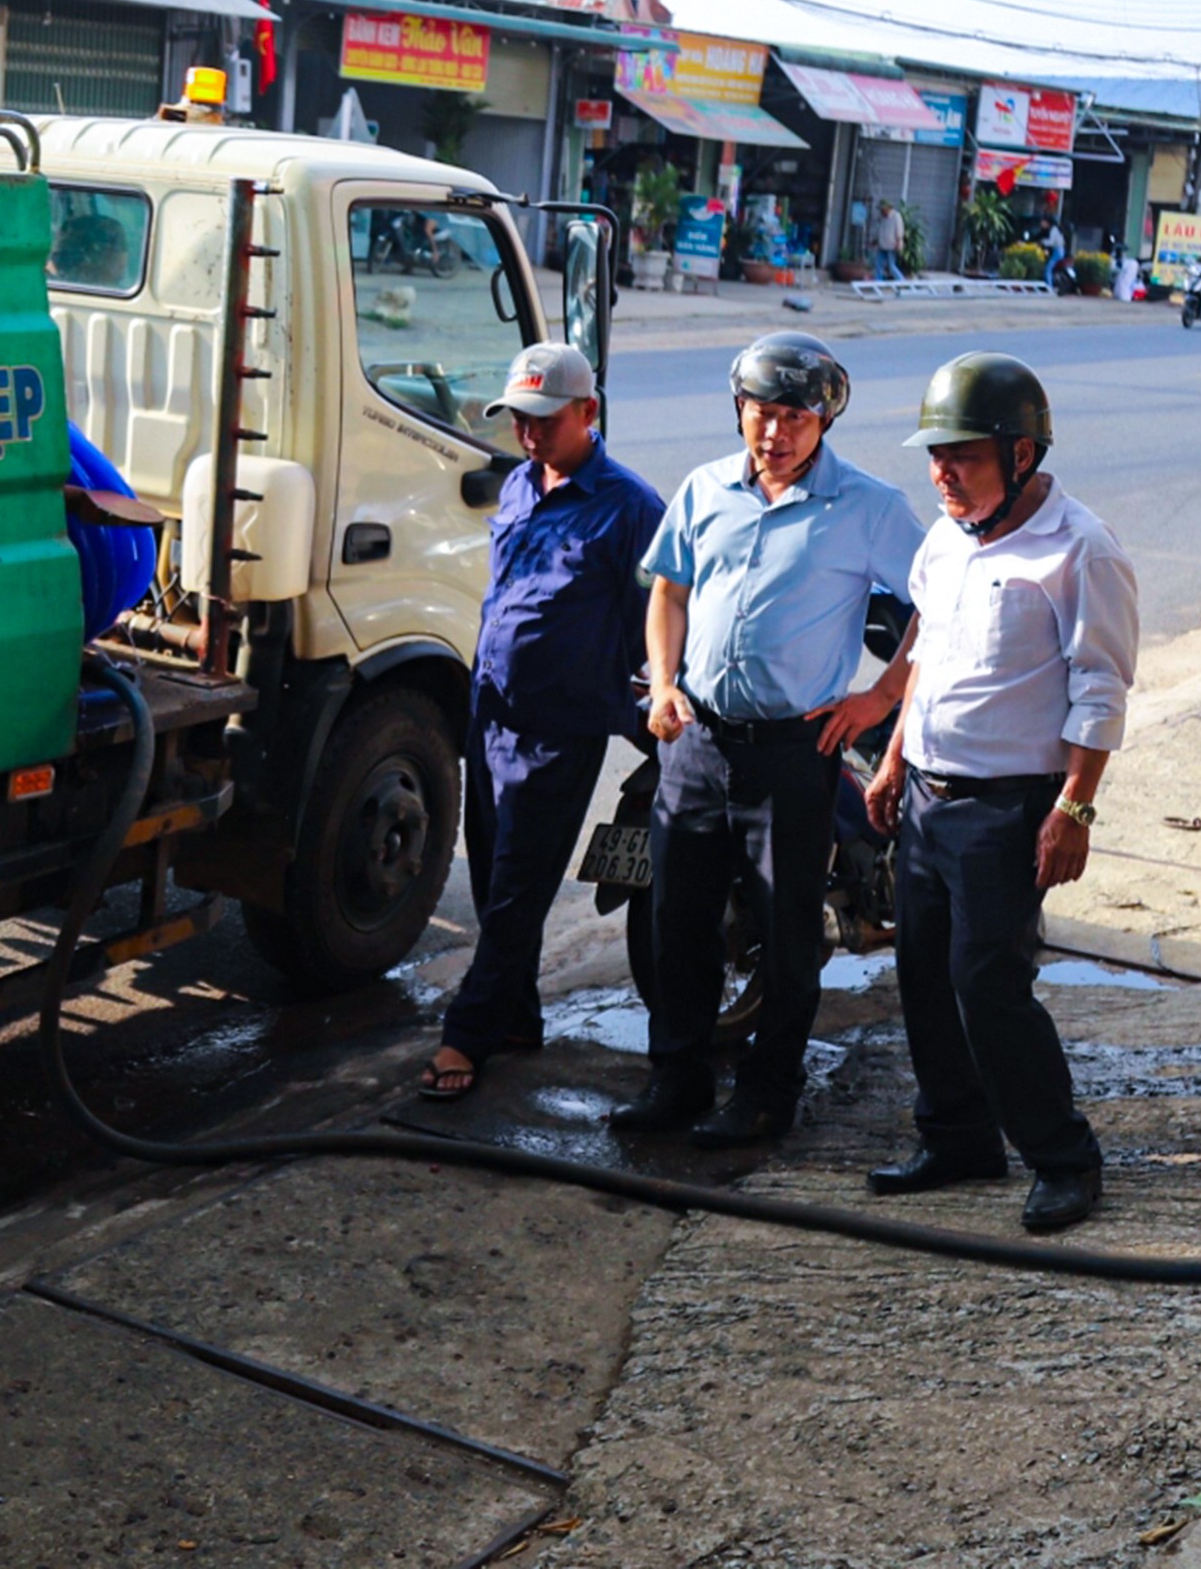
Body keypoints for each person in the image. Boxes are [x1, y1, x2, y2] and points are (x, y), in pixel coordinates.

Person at [611, 333, 928, 1143]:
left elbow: (940, 600)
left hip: (796, 753)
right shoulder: (703, 489)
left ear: (823, 421)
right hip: (694, 744)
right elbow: (669, 592)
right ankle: (675, 1081)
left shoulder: (867, 506)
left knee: (789, 937)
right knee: (677, 925)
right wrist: (666, 679)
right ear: (740, 410)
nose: (775, 432)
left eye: (795, 416)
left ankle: (766, 1096)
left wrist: (882, 694)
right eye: (761, 412)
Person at [861, 354, 1136, 1233]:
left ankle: (1064, 1157)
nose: (942, 472)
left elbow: (1101, 690)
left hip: (1010, 810)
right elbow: (928, 655)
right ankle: (957, 1138)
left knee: (990, 985)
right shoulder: (947, 537)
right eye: (935, 456)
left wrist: (1074, 810)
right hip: (930, 800)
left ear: (1021, 455)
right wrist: (895, 757)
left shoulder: (1080, 548)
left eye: (963, 456)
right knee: (924, 977)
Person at [421, 343, 666, 1100]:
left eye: (544, 421)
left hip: (559, 732)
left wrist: (634, 692)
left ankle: (467, 1037)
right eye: (518, 421)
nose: (528, 436)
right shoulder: (523, 485)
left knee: (516, 891)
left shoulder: (630, 507)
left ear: (588, 414)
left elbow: (657, 615)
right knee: (494, 868)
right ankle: (518, 1016)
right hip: (490, 716)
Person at [870, 201, 908, 284]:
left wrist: (899, 241)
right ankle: (878, 282)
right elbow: (880, 230)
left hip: (892, 245)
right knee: (878, 265)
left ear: (888, 208)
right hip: (882, 245)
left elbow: (899, 229)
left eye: (883, 209)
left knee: (891, 266)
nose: (882, 211)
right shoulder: (882, 218)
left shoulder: (896, 216)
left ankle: (902, 281)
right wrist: (875, 240)